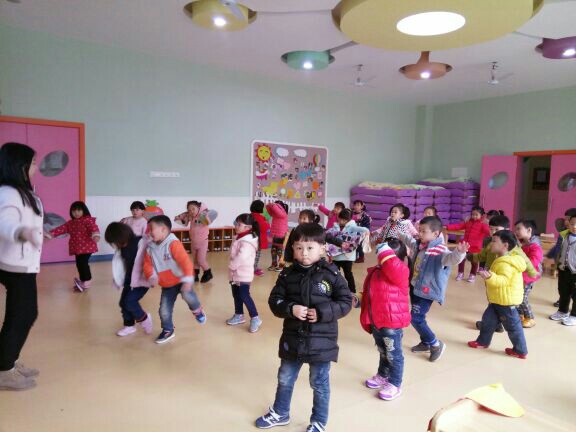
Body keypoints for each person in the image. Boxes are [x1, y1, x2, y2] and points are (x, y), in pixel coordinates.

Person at [255, 223, 352, 432]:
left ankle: (319, 422)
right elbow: (274, 301)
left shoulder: (332, 274)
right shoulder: (287, 274)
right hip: (293, 340)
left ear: (322, 248)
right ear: (293, 248)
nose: (304, 253)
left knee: (319, 383)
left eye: (310, 248)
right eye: (299, 248)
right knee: (285, 378)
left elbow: (345, 302)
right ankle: (280, 413)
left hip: (322, 342)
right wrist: (290, 309)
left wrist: (322, 312)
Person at [0, 142, 43, 391]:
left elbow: (27, 218)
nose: (36, 167)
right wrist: (21, 231)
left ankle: (9, 361)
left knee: (23, 314)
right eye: (33, 162)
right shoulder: (8, 192)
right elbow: (4, 222)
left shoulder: (23, 191)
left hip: (23, 262)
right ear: (20, 165)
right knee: (23, 315)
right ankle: (4, 369)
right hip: (13, 264)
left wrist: (37, 232)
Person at [399, 216, 468, 362]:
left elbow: (451, 259)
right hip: (415, 287)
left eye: (424, 231)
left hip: (427, 291)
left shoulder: (439, 250)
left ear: (436, 234)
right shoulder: (420, 244)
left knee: (416, 318)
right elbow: (410, 241)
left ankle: (435, 344)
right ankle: (425, 342)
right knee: (419, 316)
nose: (420, 234)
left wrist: (459, 252)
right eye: (419, 230)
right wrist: (400, 233)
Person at [360, 239, 410, 401]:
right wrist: (359, 299)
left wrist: (386, 252)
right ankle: (383, 375)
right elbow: (371, 292)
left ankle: (395, 383)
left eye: (386, 255)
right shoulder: (377, 270)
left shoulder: (401, 271)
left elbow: (392, 266)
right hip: (377, 321)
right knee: (383, 352)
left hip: (391, 324)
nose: (381, 258)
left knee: (394, 355)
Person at [143, 215, 206, 344]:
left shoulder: (172, 243)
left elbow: (185, 261)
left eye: (151, 229)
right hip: (167, 284)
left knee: (189, 297)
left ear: (163, 229)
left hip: (182, 280)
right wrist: (151, 276)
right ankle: (168, 330)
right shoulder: (150, 248)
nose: (148, 232)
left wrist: (188, 279)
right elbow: (147, 265)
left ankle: (198, 311)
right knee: (164, 310)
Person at [468, 230, 528, 359]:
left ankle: (520, 350)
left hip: (506, 302)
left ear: (505, 245)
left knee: (513, 327)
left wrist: (490, 277)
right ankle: (483, 342)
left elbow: (504, 281)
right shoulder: (501, 259)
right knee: (487, 322)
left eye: (494, 241)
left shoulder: (505, 263)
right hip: (497, 300)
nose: (491, 244)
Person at [105, 222, 153, 337]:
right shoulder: (121, 249)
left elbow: (152, 255)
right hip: (129, 280)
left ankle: (144, 318)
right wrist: (117, 279)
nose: (116, 244)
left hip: (141, 280)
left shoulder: (140, 242)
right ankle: (129, 326)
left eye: (115, 241)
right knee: (123, 303)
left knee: (130, 302)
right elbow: (120, 265)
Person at [48, 201, 100, 292]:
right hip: (77, 248)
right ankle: (83, 280)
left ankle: (87, 281)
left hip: (87, 247)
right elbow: (61, 229)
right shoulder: (71, 223)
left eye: (79, 210)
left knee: (83, 263)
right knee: (79, 264)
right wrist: (50, 234)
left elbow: (94, 228)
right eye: (74, 211)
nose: (76, 213)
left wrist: (96, 235)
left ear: (84, 211)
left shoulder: (87, 220)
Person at [226, 213, 262, 333]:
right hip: (235, 274)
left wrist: (232, 266)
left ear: (248, 227)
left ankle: (255, 317)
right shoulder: (239, 237)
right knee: (236, 294)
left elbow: (241, 257)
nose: (236, 226)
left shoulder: (247, 241)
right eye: (235, 223)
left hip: (243, 274)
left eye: (239, 224)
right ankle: (239, 315)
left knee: (244, 295)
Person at [326, 209, 369, 304]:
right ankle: (335, 291)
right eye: (340, 219)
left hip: (347, 257)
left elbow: (361, 229)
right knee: (334, 274)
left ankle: (352, 291)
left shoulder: (352, 227)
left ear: (347, 220)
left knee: (348, 274)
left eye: (343, 220)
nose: (341, 221)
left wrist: (366, 231)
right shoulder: (335, 226)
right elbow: (328, 234)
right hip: (336, 257)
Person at [174, 200, 217, 283]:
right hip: (194, 242)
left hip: (203, 242)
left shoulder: (203, 216)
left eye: (193, 209)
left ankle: (208, 273)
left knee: (201, 260)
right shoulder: (191, 217)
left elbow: (207, 222)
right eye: (189, 210)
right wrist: (180, 217)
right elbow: (184, 222)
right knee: (196, 260)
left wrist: (202, 214)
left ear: (199, 208)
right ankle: (195, 275)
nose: (191, 211)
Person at [446, 206, 490, 283]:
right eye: (473, 214)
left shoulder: (483, 225)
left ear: (481, 215)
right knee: (461, 259)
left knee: (474, 262)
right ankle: (460, 273)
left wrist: (496, 233)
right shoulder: (468, 223)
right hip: (465, 246)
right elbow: (459, 226)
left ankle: (472, 275)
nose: (474, 216)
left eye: (476, 215)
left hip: (475, 247)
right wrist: (448, 226)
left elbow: (489, 232)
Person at [514, 220, 543, 328]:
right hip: (520, 276)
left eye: (518, 229)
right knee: (517, 297)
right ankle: (520, 315)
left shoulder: (534, 246)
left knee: (522, 298)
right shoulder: (523, 244)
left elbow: (533, 262)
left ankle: (530, 318)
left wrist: (519, 263)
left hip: (528, 277)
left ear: (529, 230)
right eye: (515, 229)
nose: (516, 231)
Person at [549, 213, 576, 326]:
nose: (574, 226)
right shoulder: (564, 236)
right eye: (573, 224)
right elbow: (557, 249)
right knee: (563, 292)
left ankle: (574, 316)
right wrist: (551, 258)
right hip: (563, 270)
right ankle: (562, 311)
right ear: (568, 224)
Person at [266, 200, 289, 271]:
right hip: (275, 234)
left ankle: (282, 265)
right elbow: (269, 210)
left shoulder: (283, 213)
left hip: (281, 235)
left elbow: (277, 211)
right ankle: (274, 264)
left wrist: (274, 205)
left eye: (277, 206)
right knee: (273, 250)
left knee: (280, 251)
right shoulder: (275, 214)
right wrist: (269, 205)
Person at [250, 199, 270, 277]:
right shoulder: (259, 217)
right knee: (256, 256)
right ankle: (253, 269)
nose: (264, 208)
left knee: (251, 255)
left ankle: (252, 267)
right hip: (257, 241)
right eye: (263, 207)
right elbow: (265, 227)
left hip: (250, 239)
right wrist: (267, 223)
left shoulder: (249, 215)